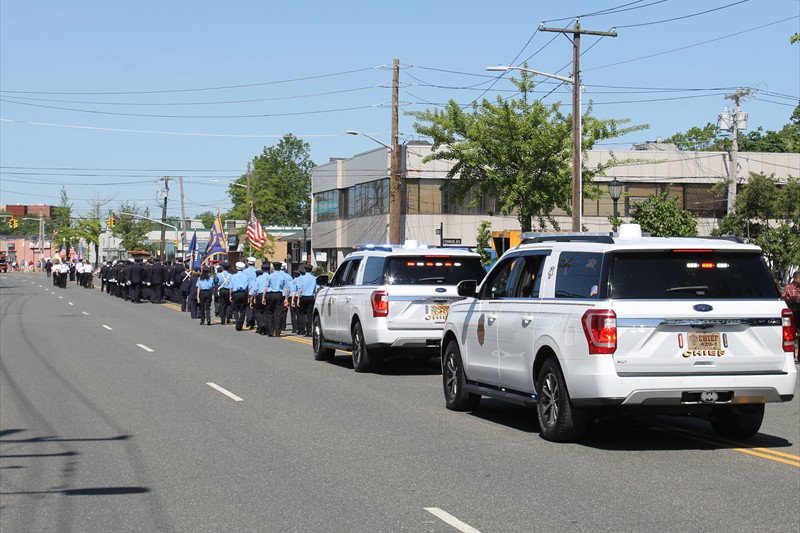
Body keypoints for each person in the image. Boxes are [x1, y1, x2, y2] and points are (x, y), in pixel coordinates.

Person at [293, 264, 318, 336]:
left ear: (305, 270)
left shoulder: (301, 278)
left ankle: (303, 329)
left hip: (303, 297)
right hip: (311, 297)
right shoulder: (315, 278)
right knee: (310, 314)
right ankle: (309, 330)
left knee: (302, 314)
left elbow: (300, 290)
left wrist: (298, 299)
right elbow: (316, 290)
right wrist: (315, 298)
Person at [782, 270, 800, 361]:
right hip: (791, 314)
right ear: (796, 278)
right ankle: (790, 356)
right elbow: (783, 299)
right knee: (790, 336)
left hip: (799, 314)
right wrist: (792, 300)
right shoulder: (788, 287)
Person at [229, 261, 250, 331]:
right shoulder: (246, 276)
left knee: (235, 309)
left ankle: (237, 319)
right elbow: (248, 287)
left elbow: (231, 287)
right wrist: (248, 296)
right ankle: (240, 323)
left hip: (236, 293)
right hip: (244, 293)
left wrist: (230, 295)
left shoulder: (233, 276)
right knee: (243, 310)